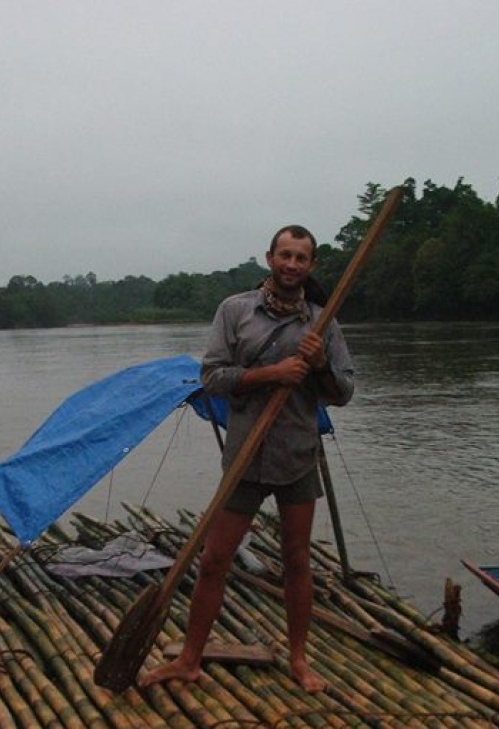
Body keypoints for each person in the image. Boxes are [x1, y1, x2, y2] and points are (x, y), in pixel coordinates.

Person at [140, 224, 354, 693]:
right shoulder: (235, 311)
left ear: (311, 266)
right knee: (215, 559)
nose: (292, 264)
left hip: (297, 454)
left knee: (297, 559)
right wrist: (269, 374)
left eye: (301, 258)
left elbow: (343, 394)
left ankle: (298, 661)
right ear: (269, 258)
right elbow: (212, 378)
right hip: (245, 456)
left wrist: (318, 366)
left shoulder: (323, 322)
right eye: (285, 255)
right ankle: (191, 659)